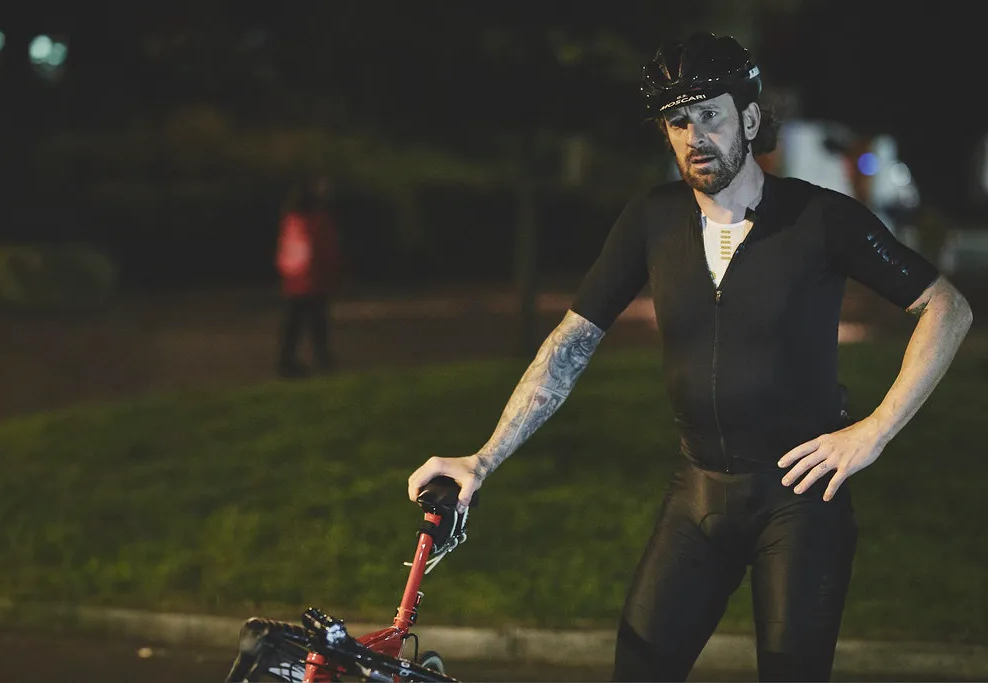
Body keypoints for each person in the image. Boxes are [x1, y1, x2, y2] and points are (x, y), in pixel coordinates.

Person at [406, 32, 973, 682]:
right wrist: (483, 457)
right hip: (698, 492)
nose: (695, 134)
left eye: (711, 114)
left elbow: (945, 307)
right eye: (679, 120)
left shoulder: (820, 218)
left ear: (750, 118)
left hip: (800, 501)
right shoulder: (652, 219)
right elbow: (571, 340)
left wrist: (874, 430)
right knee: (639, 667)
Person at [275, 175, 343, 378]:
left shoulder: (291, 219)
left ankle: (286, 360)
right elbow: (327, 249)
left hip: (294, 279)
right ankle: (322, 359)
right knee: (317, 322)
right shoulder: (319, 220)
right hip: (314, 279)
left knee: (293, 323)